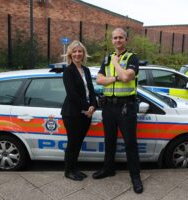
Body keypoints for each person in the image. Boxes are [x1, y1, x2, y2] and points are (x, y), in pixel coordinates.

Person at [93, 28, 143, 193]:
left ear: (126, 40)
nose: (118, 40)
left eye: (121, 37)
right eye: (115, 38)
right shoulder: (106, 58)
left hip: (126, 107)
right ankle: (108, 169)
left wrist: (115, 63)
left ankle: (135, 177)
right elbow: (99, 80)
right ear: (112, 40)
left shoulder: (132, 57)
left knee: (130, 143)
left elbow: (127, 77)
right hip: (108, 106)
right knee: (109, 140)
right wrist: (115, 77)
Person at [61, 40, 97, 181]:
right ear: (70, 54)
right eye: (74, 51)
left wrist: (93, 105)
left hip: (86, 114)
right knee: (73, 143)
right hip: (72, 114)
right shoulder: (68, 71)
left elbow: (92, 91)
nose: (77, 54)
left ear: (83, 53)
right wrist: (87, 107)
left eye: (80, 51)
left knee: (78, 143)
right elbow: (72, 95)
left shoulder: (86, 70)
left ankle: (75, 168)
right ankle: (68, 171)